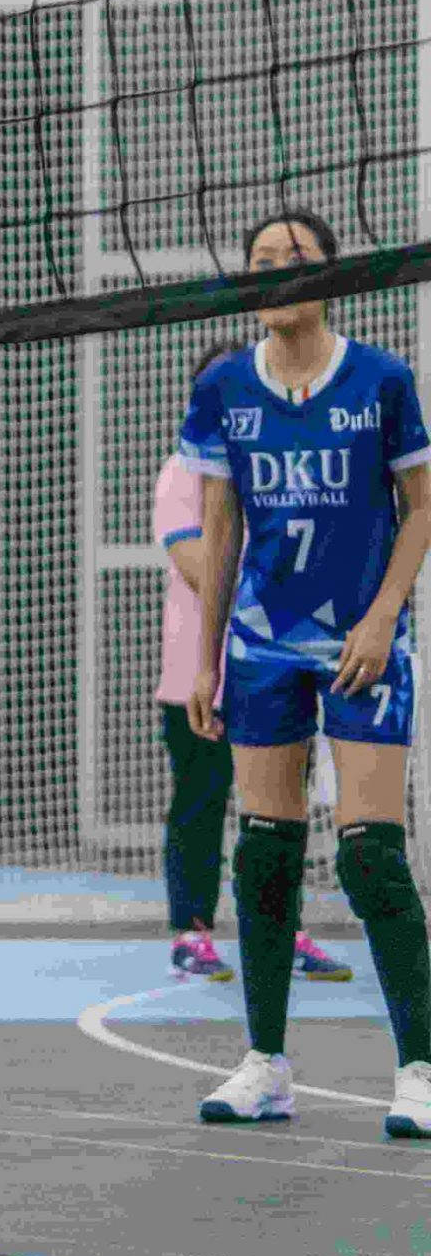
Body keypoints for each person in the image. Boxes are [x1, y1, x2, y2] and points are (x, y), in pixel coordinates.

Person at [183, 209, 431, 1137]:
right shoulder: (223, 389)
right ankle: (266, 1065)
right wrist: (205, 657)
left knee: (371, 854)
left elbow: (421, 507)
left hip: (361, 644)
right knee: (263, 855)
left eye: (295, 258)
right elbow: (219, 528)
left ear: (332, 273)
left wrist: (383, 616)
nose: (278, 270)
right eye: (262, 261)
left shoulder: (381, 379)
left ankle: (419, 1066)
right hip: (258, 645)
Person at [154, 377, 351, 986]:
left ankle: (282, 930)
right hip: (199, 676)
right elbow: (198, 566)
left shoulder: (282, 470)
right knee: (202, 802)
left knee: (278, 809)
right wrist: (278, 595)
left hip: (279, 669)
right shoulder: (180, 476)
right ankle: (193, 933)